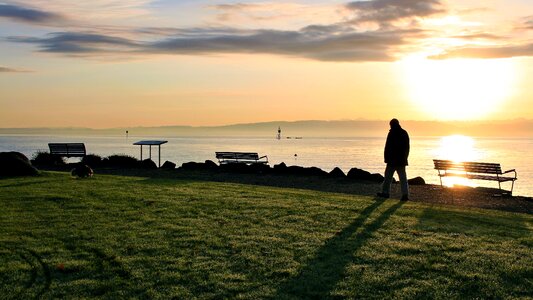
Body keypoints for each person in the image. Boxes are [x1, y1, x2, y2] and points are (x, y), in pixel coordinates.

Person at [377, 118, 410, 201]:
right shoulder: (404, 133)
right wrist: (405, 158)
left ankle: (385, 193)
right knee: (402, 178)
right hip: (401, 160)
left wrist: (386, 158)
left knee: (388, 177)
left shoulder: (391, 133)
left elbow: (387, 147)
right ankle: (405, 195)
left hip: (392, 160)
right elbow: (407, 147)